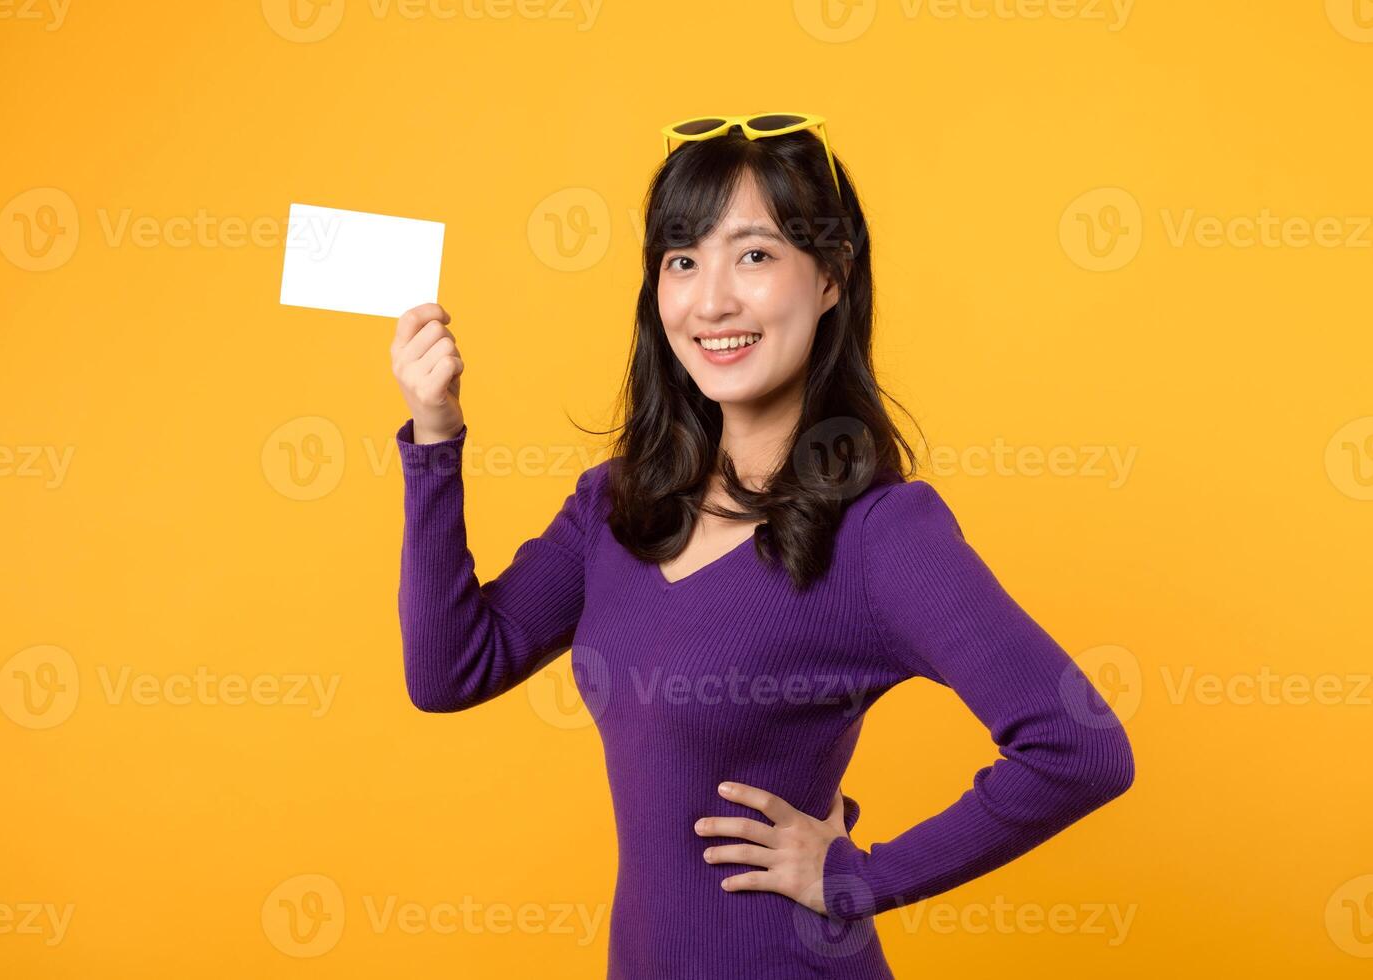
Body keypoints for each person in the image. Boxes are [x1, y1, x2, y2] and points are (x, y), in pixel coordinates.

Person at [390, 115, 1134, 979]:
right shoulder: (616, 506)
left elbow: (1079, 748)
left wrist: (858, 877)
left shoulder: (880, 536)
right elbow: (448, 673)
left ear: (829, 280)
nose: (711, 302)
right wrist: (435, 436)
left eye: (753, 255)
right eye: (682, 259)